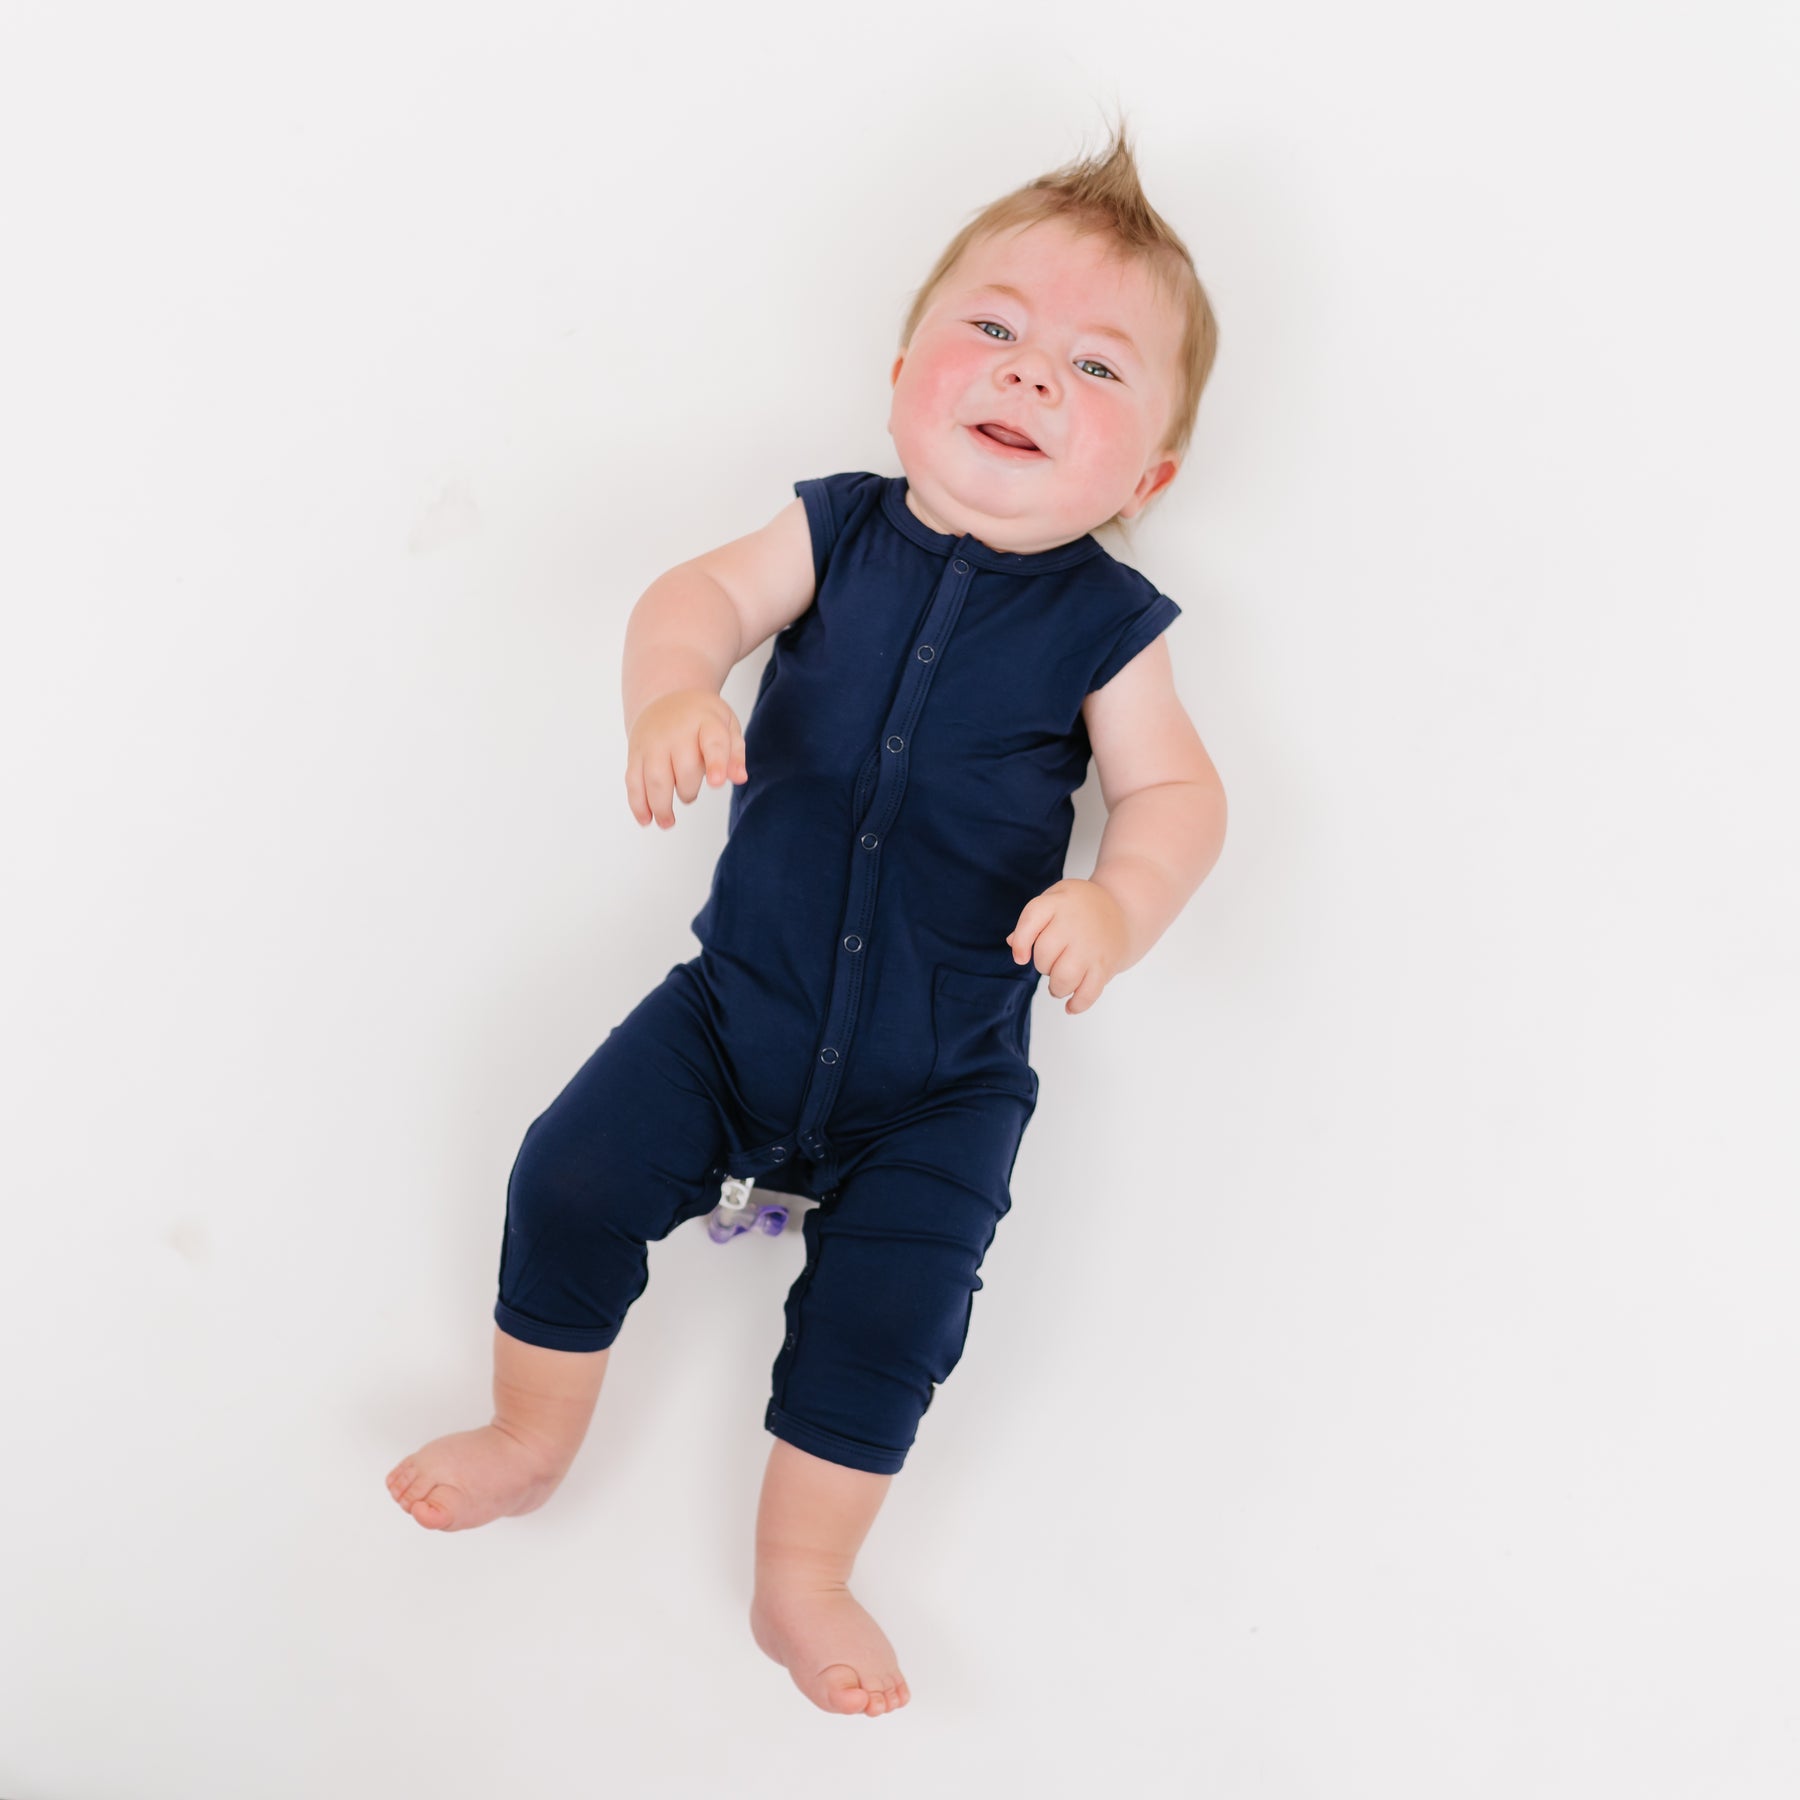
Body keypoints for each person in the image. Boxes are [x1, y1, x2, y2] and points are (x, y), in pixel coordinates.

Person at [386, 117, 1228, 1719]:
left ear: (1154, 475)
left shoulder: (1112, 628)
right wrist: (671, 693)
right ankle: (530, 1432)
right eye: (995, 329)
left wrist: (1121, 898)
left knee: (895, 1318)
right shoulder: (832, 527)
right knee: (565, 1175)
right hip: (735, 1011)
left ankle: (805, 1574)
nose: (1033, 373)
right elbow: (690, 600)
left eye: (1098, 368)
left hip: (944, 1078)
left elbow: (1181, 797)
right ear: (906, 366)